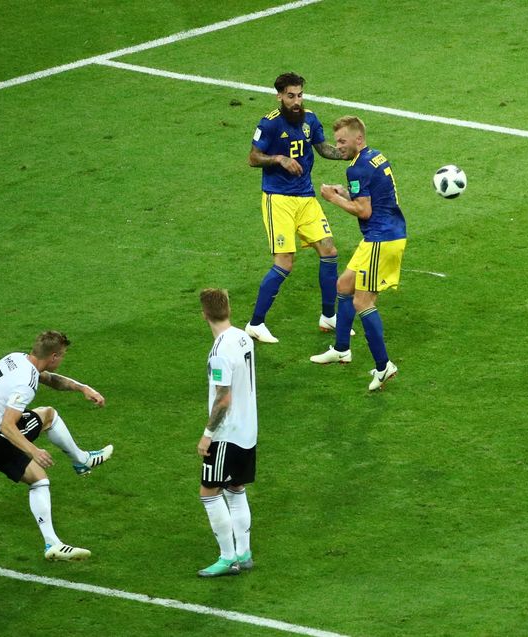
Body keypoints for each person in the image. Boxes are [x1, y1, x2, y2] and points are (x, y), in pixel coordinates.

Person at [0, 330, 113, 561]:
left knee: (39, 479)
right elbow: (7, 426)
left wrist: (84, 388)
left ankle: (52, 545)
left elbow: (52, 380)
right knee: (48, 417)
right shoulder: (26, 383)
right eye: (62, 355)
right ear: (53, 356)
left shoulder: (14, 358)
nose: (62, 359)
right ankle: (82, 460)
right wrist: (34, 450)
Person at [244, 72, 348, 344]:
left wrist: (347, 153)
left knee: (329, 251)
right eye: (291, 96)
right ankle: (255, 323)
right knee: (285, 262)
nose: (297, 101)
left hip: (306, 197)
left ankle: (329, 316)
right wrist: (279, 158)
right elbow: (253, 158)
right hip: (278, 199)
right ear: (279, 96)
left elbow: (322, 148)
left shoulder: (310, 119)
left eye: (300, 95)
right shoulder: (268, 124)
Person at [311, 116, 406, 391]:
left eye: (343, 141)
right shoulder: (374, 157)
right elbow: (372, 195)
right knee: (344, 285)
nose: (338, 146)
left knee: (363, 303)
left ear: (358, 139)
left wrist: (334, 198)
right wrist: (346, 192)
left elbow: (364, 211)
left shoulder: (357, 169)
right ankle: (341, 349)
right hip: (382, 236)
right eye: (337, 141)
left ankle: (384, 366)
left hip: (382, 239)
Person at [196, 288, 258, 577]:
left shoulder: (220, 350)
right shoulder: (242, 337)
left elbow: (223, 398)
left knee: (209, 492)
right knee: (236, 488)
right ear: (228, 310)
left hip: (226, 434)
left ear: (204, 314)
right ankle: (244, 552)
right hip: (248, 430)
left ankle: (227, 557)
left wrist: (208, 433)